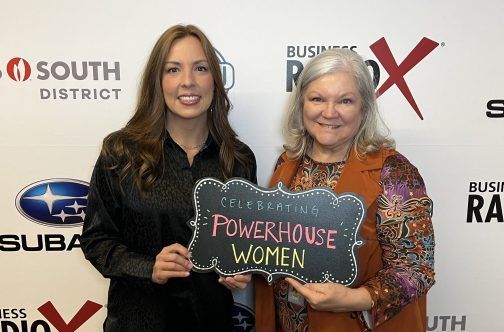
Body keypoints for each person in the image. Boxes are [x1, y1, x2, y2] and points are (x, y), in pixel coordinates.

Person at [80, 24, 257, 332]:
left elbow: (247, 242)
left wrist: (243, 269)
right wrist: (149, 268)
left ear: (214, 79)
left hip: (211, 322)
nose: (188, 82)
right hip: (139, 324)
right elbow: (96, 240)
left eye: (200, 68)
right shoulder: (121, 152)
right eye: (173, 69)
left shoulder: (238, 159)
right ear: (157, 82)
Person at [254, 49, 435, 331]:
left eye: (345, 101)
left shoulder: (394, 173)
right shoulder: (288, 163)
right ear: (302, 104)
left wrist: (354, 298)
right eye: (317, 99)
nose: (329, 112)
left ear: (364, 108)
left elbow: (416, 270)